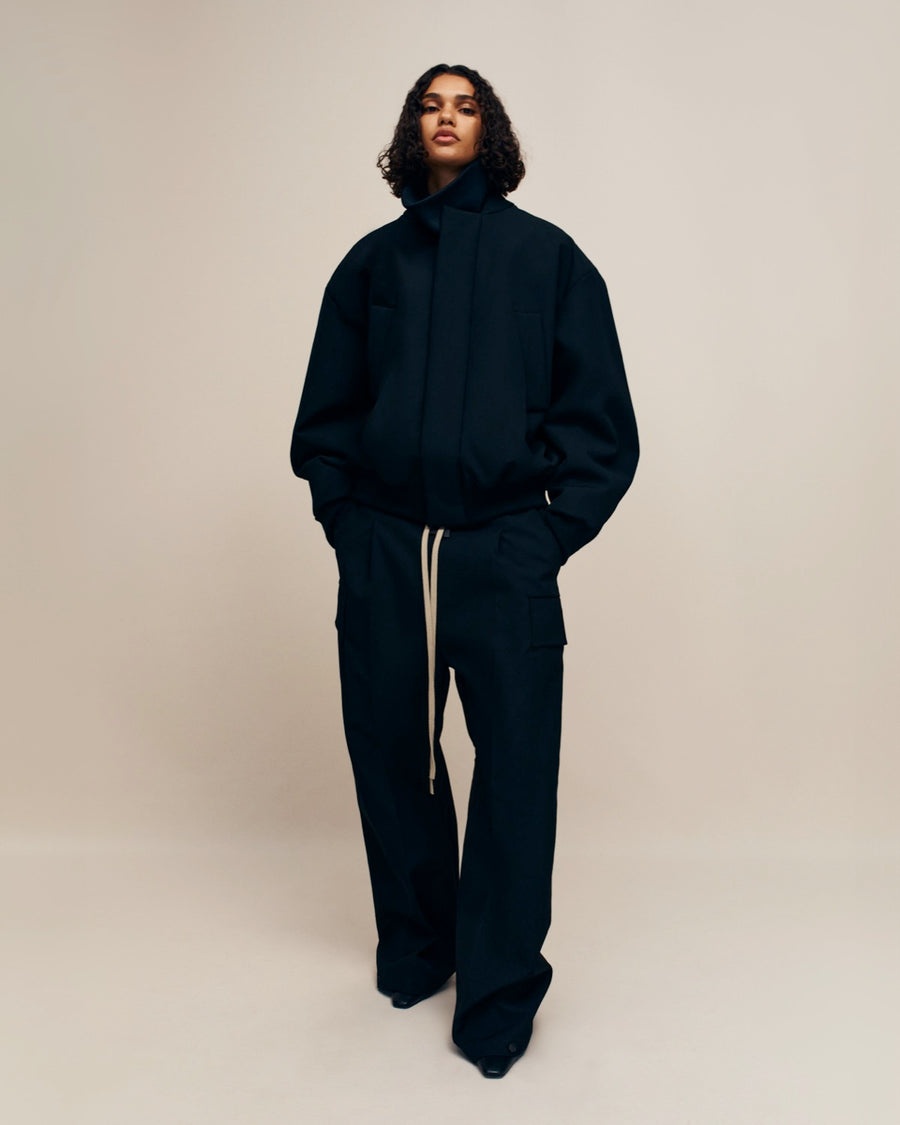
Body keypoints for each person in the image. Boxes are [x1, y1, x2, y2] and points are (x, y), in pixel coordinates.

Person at [290, 63, 639, 1079]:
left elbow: (601, 424)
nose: (447, 117)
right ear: (413, 128)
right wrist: (350, 523)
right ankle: (420, 948)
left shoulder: (549, 260)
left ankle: (497, 995)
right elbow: (328, 414)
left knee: (516, 775)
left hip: (501, 552)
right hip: (389, 552)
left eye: (466, 104)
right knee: (394, 758)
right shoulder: (371, 267)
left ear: (490, 130)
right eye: (431, 105)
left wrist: (547, 535)